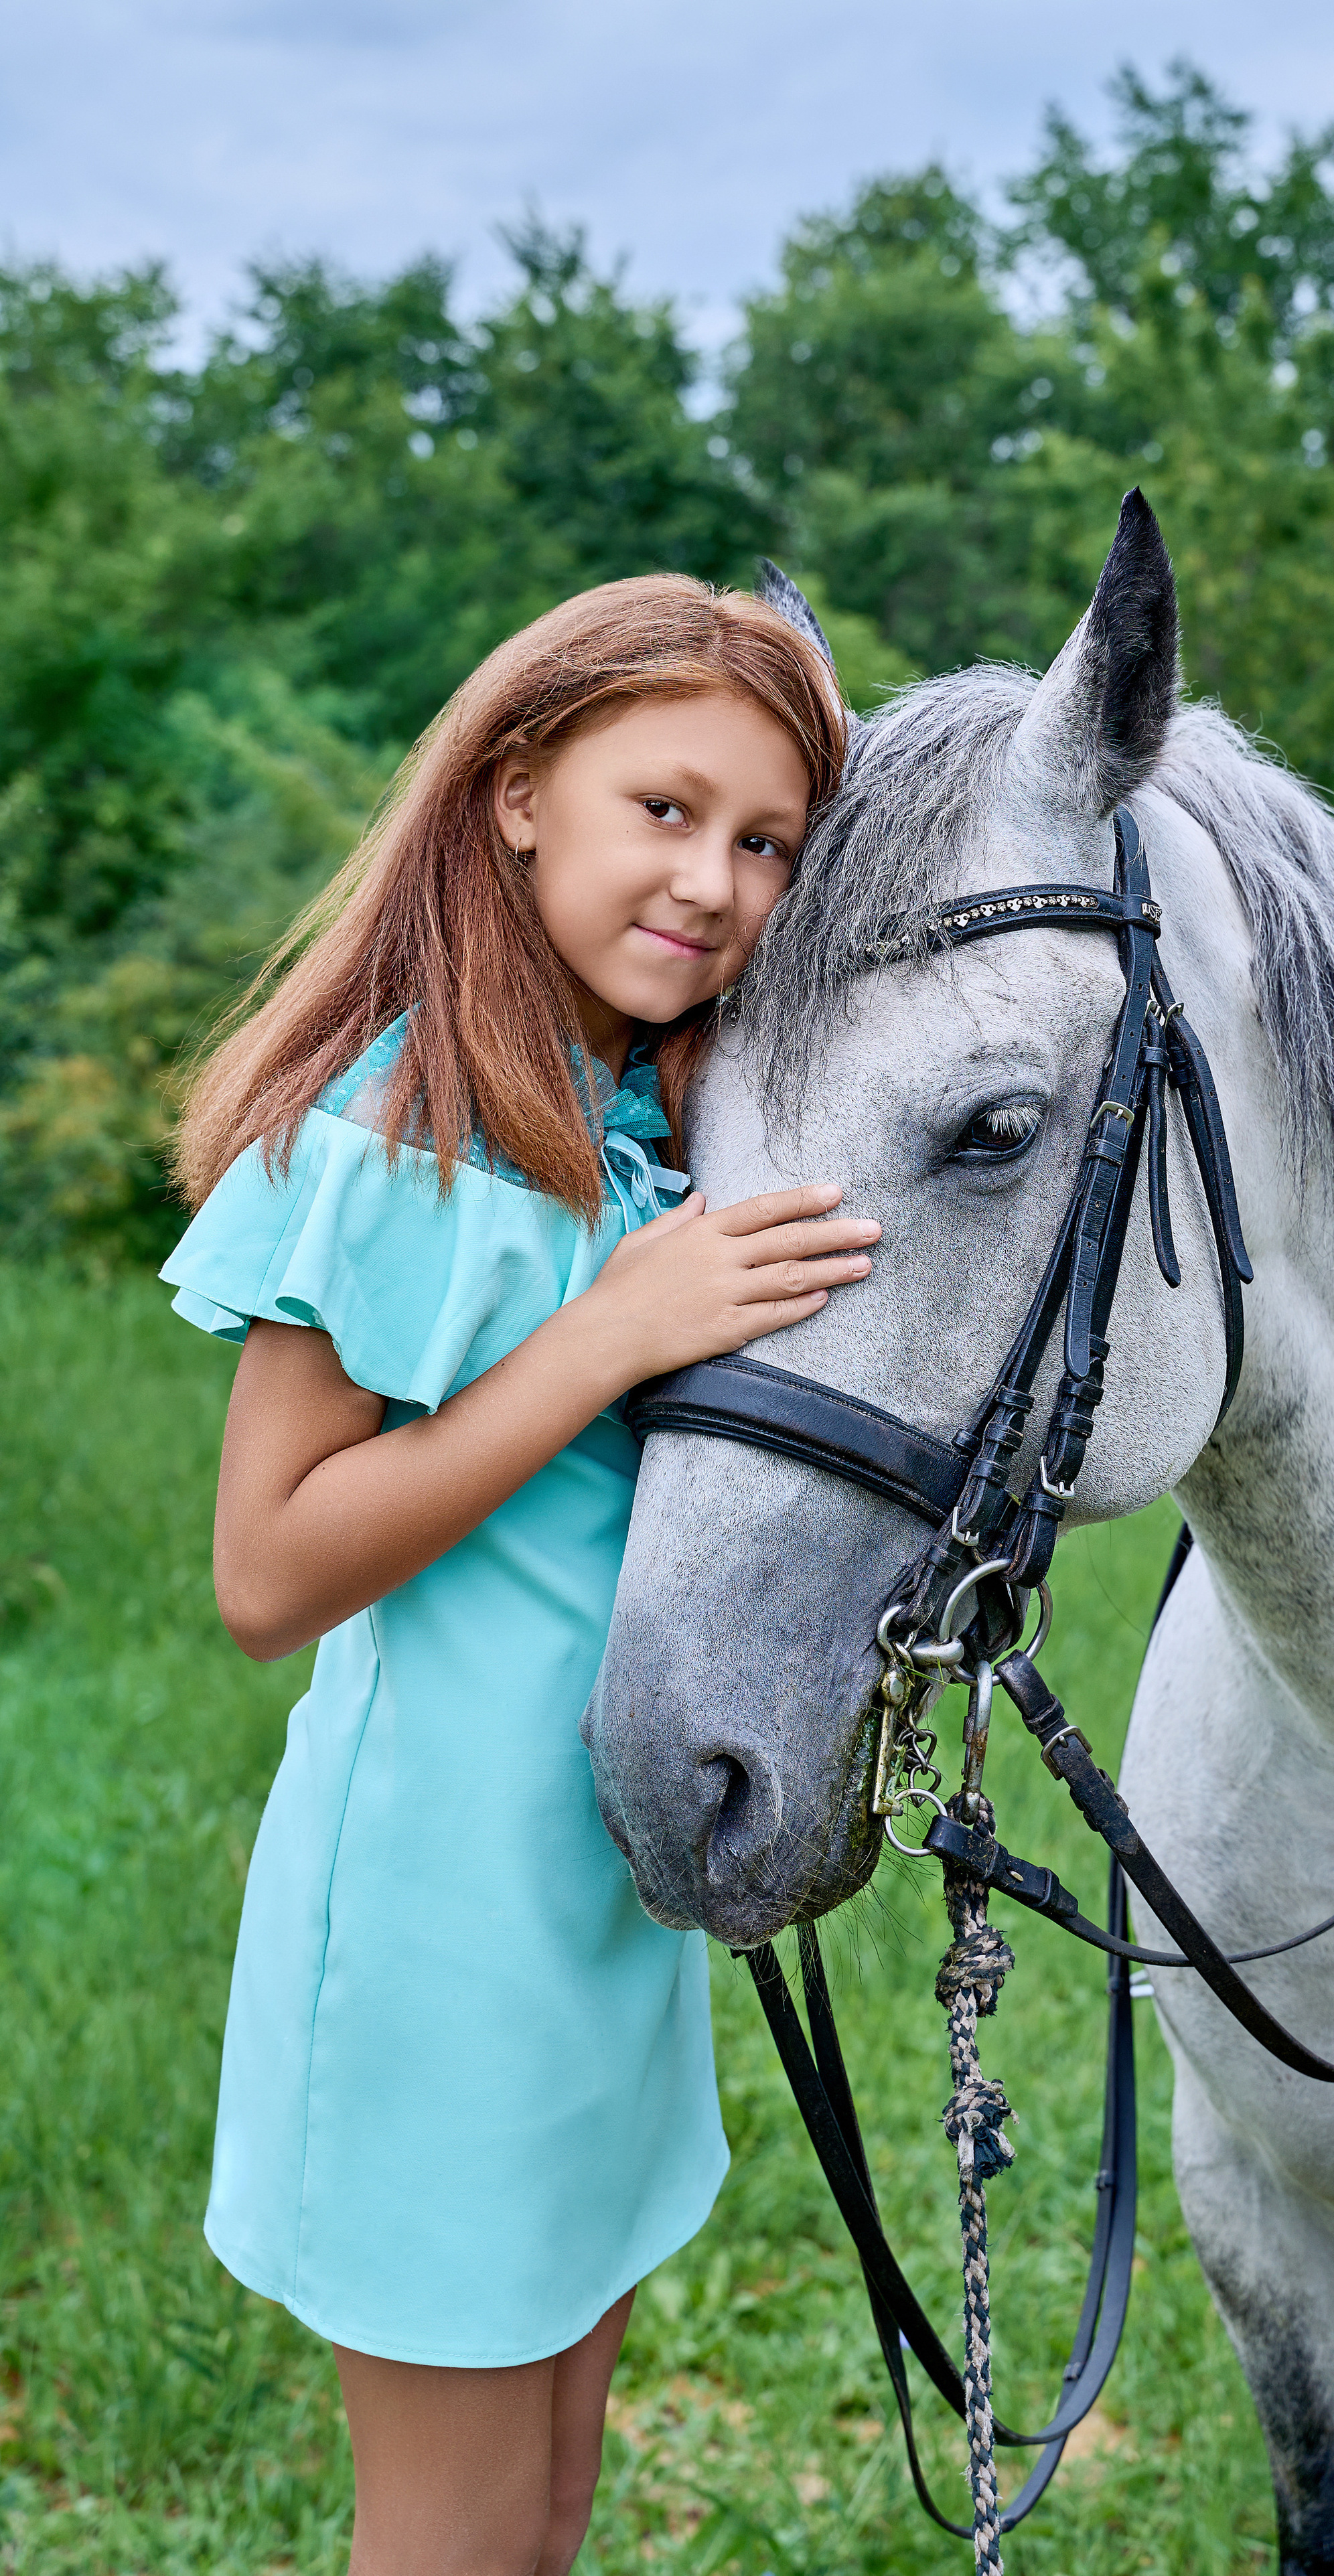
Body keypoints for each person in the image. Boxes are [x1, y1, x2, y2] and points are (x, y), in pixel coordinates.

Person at [161, 576, 871, 2576]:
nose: (714, 881)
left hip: (604, 1911)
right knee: (457, 2540)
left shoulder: (642, 1141)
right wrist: (597, 1345)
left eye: (762, 844)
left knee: (549, 2511)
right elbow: (265, 1571)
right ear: (515, 796)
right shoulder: (394, 1135)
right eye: (666, 807)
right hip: (441, 1937)